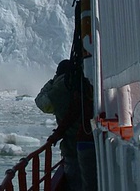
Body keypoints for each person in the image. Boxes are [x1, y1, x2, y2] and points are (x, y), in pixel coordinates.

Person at [47, 61, 98, 191]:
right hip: (89, 140)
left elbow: (72, 111)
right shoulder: (87, 87)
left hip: (83, 142)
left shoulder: (76, 87)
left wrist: (57, 133)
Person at [35, 59, 82, 191]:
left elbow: (42, 103)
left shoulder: (62, 85)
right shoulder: (79, 82)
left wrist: (50, 83)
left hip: (73, 147)